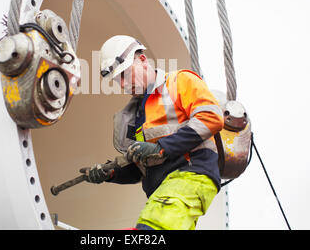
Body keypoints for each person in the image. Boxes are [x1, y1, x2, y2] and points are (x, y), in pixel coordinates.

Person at [85, 35, 224, 230]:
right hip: (163, 192)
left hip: (189, 177)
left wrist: (161, 148)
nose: (123, 85)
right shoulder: (136, 115)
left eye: (125, 74)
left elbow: (211, 117)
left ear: (142, 61)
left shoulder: (179, 81)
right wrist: (111, 173)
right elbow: (141, 166)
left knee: (150, 230)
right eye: (117, 80)